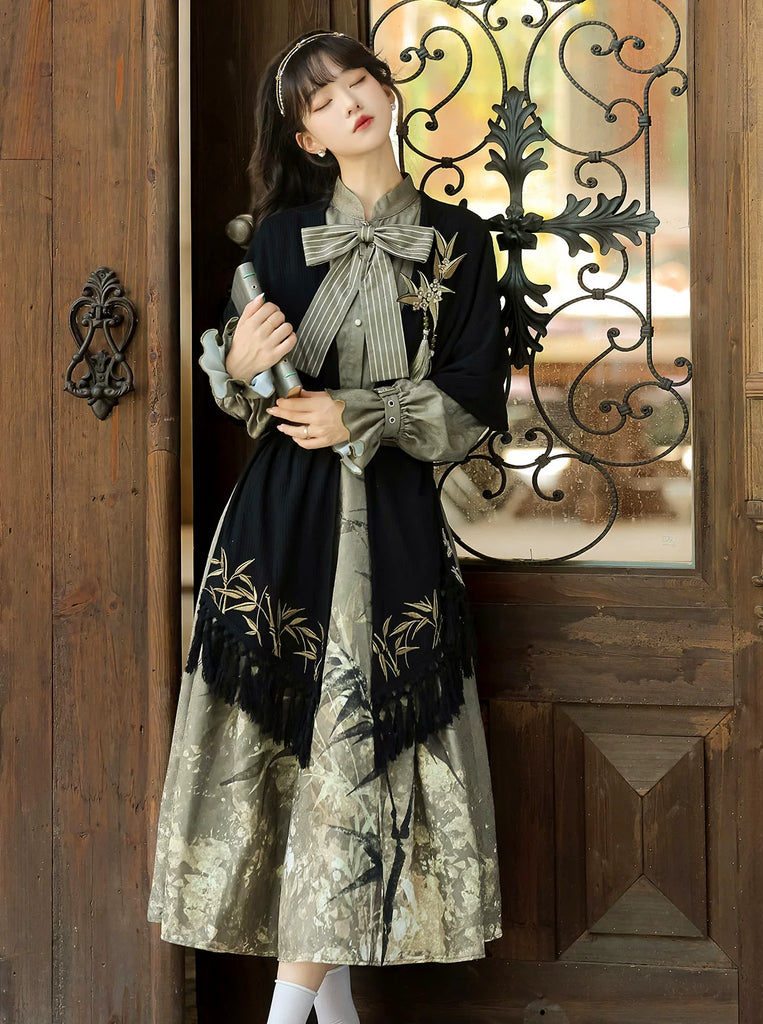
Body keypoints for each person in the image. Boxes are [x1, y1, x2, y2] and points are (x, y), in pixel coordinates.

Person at [147, 29, 508, 1024]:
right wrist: (237, 364)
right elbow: (250, 391)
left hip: (392, 522)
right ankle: (325, 1013)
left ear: (388, 93)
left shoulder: (459, 241)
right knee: (304, 765)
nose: (350, 99)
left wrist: (367, 413)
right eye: (322, 97)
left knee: (354, 755)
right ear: (307, 137)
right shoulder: (274, 243)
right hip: (281, 523)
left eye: (359, 79)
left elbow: (475, 398)